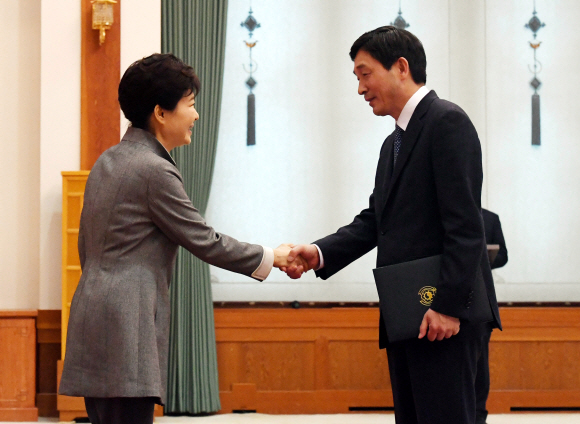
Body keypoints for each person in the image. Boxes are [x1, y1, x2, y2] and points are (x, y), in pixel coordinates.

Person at [58, 53, 303, 424]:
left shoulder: (107, 161)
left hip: (93, 314)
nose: (196, 115)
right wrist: (276, 257)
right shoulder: (153, 170)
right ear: (160, 112)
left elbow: (86, 247)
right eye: (190, 104)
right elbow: (205, 240)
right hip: (128, 323)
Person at [285, 27, 502, 424]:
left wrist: (447, 307)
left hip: (443, 317)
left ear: (401, 68)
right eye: (357, 78)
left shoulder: (447, 122)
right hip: (409, 313)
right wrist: (318, 253)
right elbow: (375, 221)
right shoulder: (394, 142)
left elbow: (466, 227)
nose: (360, 88)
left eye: (365, 74)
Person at [476, 208, 508, 424]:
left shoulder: (490, 218)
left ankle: (479, 415)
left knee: (480, 362)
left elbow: (503, 256)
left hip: (481, 295)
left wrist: (481, 258)